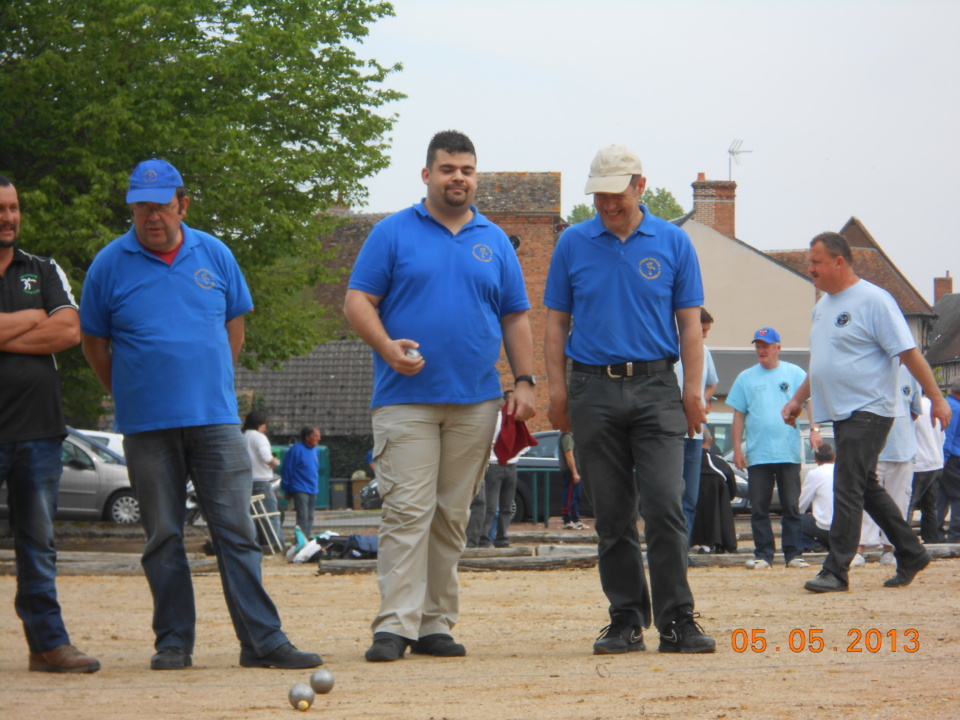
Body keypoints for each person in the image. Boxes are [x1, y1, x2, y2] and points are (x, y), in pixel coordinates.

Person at [80, 159, 320, 670]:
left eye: (161, 206)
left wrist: (212, 380)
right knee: (163, 534)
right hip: (146, 426)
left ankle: (262, 641)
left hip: (214, 420)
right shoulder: (107, 265)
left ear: (182, 205)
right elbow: (93, 342)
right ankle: (173, 641)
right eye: (141, 207)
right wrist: (128, 392)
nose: (151, 217)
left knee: (236, 530)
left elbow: (236, 325)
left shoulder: (216, 254)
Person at [343, 131, 536, 662]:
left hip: (476, 401)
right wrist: (386, 346)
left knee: (452, 514)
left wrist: (525, 381)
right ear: (426, 174)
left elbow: (516, 315)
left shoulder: (494, 240)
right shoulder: (391, 233)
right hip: (405, 398)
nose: (459, 177)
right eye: (448, 168)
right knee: (407, 512)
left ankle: (434, 624)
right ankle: (394, 627)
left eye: (467, 169)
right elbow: (358, 300)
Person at [544, 144, 715, 655]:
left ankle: (677, 619)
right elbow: (555, 323)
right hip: (592, 388)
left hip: (657, 387)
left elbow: (690, 324)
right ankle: (624, 618)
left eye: (615, 194)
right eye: (598, 194)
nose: (607, 204)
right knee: (613, 515)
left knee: (665, 504)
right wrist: (558, 390)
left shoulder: (673, 242)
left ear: (639, 186)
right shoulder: (572, 243)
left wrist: (691, 390)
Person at [782, 231, 951, 593]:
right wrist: (797, 399)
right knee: (864, 485)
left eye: (815, 261)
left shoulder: (875, 300)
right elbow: (823, 364)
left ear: (838, 262)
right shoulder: (822, 307)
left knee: (846, 482)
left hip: (871, 408)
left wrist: (936, 398)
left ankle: (836, 569)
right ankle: (911, 551)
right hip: (842, 412)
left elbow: (909, 353)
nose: (809, 268)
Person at [0, 174, 100, 673]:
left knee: (38, 545)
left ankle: (47, 645)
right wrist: (32, 317)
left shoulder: (41, 268)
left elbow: (68, 328)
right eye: (0, 209)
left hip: (38, 431)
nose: (8, 217)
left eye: (13, 207)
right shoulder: (37, 289)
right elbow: (48, 321)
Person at [728, 327, 817, 570]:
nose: (761, 350)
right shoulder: (745, 378)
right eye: (757, 345)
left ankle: (793, 554)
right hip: (758, 454)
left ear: (778, 347)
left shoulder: (795, 373)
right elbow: (738, 416)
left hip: (787, 452)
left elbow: (810, 402)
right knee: (759, 507)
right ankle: (764, 554)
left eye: (766, 345)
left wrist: (814, 429)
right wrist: (737, 449)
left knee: (791, 505)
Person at [851, 364, 920, 567]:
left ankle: (890, 549)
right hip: (873, 449)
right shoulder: (868, 366)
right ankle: (859, 549)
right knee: (864, 502)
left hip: (903, 449)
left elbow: (914, 411)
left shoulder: (911, 372)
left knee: (899, 503)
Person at [676, 307, 719, 538]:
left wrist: (703, 399)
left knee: (690, 497)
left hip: (695, 435)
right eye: (702, 330)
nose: (704, 335)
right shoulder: (669, 351)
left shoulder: (704, 352)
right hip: (671, 434)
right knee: (672, 496)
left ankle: (683, 549)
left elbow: (712, 383)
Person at [466, 390, 522, 548]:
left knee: (507, 505)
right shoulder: (496, 419)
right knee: (490, 506)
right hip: (494, 464)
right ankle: (484, 538)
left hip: (511, 463)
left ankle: (502, 537)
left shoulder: (514, 420)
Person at [689, 429, 737, 555]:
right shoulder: (719, 464)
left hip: (690, 517)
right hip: (716, 518)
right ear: (710, 440)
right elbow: (732, 492)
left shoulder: (684, 463)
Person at [909, 392, 945, 544]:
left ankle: (904, 541)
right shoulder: (936, 406)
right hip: (936, 461)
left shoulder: (915, 407)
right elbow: (943, 435)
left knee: (908, 505)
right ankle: (931, 540)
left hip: (920, 464)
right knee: (929, 507)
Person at [242, 411, 282, 548]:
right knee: (270, 515)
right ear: (259, 424)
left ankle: (256, 544)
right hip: (261, 481)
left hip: (245, 482)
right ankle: (275, 544)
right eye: (264, 425)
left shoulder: (242, 436)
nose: (266, 428)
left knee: (252, 517)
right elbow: (266, 457)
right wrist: (275, 462)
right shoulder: (259, 437)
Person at [280, 426, 321, 539]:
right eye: (316, 436)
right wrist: (287, 489)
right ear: (307, 438)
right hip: (299, 487)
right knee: (303, 516)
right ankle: (300, 541)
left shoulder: (316, 450)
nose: (319, 438)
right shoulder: (296, 450)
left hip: (312, 487)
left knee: (310, 516)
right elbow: (287, 470)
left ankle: (305, 539)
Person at [799, 444, 836, 553]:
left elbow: (801, 504)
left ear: (815, 459)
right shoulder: (842, 471)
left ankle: (813, 545)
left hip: (824, 527)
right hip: (843, 528)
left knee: (791, 520)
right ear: (833, 457)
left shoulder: (814, 474)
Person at [937, 382, 960, 542]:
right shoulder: (956, 408)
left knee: (942, 496)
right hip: (953, 458)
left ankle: (935, 534)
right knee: (958, 497)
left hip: (946, 458)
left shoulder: (947, 403)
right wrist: (944, 458)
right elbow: (948, 435)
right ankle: (955, 536)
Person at [559, 430, 584, 530]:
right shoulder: (567, 436)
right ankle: (567, 519)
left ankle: (575, 518)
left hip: (575, 470)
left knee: (576, 495)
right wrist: (574, 472)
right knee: (570, 495)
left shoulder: (571, 436)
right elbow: (568, 454)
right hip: (570, 471)